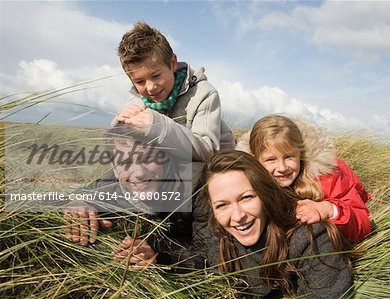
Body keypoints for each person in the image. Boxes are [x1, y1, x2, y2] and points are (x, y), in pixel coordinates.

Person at [113, 151, 353, 298]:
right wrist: (158, 259)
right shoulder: (221, 232)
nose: (237, 216)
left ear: (265, 193)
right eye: (222, 205)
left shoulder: (308, 237)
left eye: (246, 197)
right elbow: (202, 260)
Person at [113, 22, 235, 178]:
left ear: (173, 63)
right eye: (140, 81)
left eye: (156, 76)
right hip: (165, 169)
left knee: (188, 174)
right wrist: (120, 124)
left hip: (215, 169)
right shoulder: (136, 99)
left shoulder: (204, 94)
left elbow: (208, 151)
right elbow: (120, 148)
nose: (150, 87)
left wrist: (159, 126)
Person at [237, 115, 371, 244]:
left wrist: (328, 209)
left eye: (289, 157)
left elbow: (363, 224)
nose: (282, 167)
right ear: (255, 159)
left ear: (300, 154)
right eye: (271, 159)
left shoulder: (328, 173)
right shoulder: (246, 179)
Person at [64, 125, 191, 247]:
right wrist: (77, 204)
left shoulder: (193, 188)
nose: (140, 173)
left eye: (148, 158)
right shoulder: (110, 184)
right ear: (113, 167)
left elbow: (205, 251)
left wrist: (160, 257)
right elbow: (81, 194)